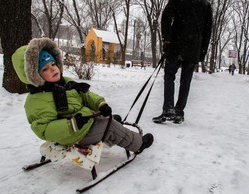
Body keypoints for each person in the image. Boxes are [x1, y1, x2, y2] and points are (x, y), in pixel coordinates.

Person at [11, 37, 153, 154]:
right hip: (72, 135)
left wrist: (100, 104)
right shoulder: (37, 100)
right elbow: (44, 129)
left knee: (105, 118)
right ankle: (138, 144)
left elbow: (85, 95)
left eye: (53, 64)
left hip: (84, 123)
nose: (53, 69)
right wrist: (70, 125)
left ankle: (106, 123)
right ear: (34, 76)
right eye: (45, 68)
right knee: (110, 126)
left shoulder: (64, 83)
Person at [153, 0, 213, 124]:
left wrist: (167, 39)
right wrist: (202, 53)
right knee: (186, 81)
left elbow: (166, 17)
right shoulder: (205, 3)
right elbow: (208, 31)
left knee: (169, 76)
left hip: (176, 45)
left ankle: (168, 109)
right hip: (193, 49)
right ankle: (179, 113)